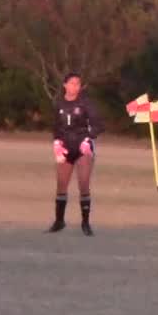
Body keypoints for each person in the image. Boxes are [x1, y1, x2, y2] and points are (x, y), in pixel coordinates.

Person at [49, 72, 105, 236]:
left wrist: (88, 139)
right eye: (72, 83)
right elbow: (56, 127)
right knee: (61, 185)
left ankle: (85, 223)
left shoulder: (86, 103)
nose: (75, 86)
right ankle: (59, 221)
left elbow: (99, 125)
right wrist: (57, 142)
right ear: (65, 85)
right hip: (66, 148)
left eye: (78, 84)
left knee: (83, 184)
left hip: (82, 148)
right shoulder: (59, 104)